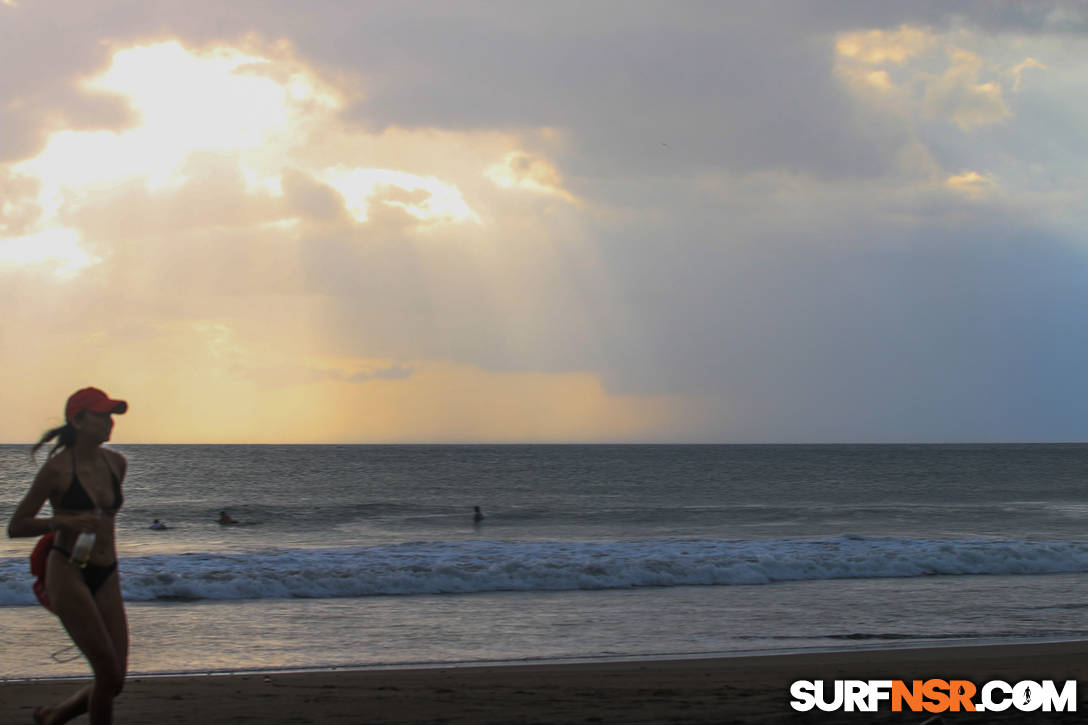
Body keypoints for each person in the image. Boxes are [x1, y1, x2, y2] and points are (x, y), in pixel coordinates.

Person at [7, 387, 129, 725]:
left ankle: (55, 715)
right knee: (106, 672)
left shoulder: (117, 463)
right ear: (77, 420)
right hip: (68, 571)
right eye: (101, 415)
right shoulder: (57, 470)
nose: (109, 423)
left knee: (115, 680)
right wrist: (60, 521)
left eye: (111, 416)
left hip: (108, 571)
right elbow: (16, 526)